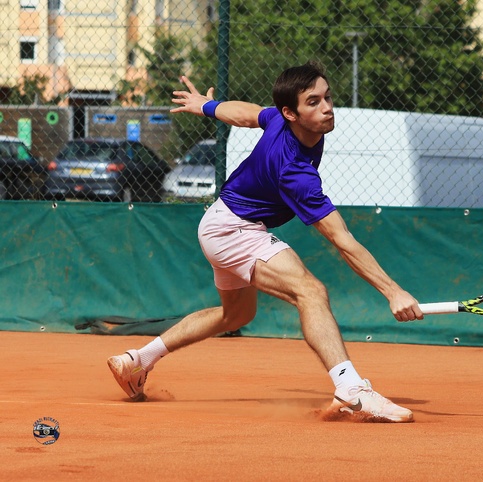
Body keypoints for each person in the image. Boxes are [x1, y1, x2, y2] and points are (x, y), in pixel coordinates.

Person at [107, 61, 423, 423]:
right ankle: (351, 389)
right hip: (234, 229)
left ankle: (137, 362)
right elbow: (342, 239)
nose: (327, 107)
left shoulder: (279, 120)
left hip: (219, 221)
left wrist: (207, 106)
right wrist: (392, 291)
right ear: (292, 112)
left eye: (328, 97)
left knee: (236, 314)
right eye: (314, 102)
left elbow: (249, 114)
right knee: (311, 291)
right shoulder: (295, 172)